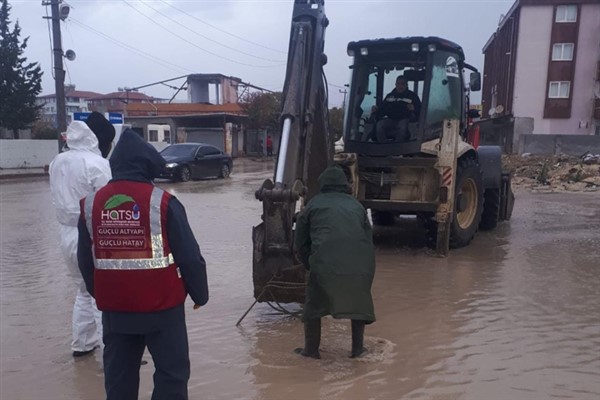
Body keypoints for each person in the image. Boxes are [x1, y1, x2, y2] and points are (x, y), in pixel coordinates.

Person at [77, 128, 209, 400]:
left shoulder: (90, 204)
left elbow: (85, 262)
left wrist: (102, 295)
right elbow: (190, 256)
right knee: (171, 376)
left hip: (115, 312)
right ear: (147, 166)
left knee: (119, 379)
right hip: (163, 309)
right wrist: (200, 294)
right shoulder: (163, 202)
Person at [49, 111, 115, 357]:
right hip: (90, 235)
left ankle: (83, 344)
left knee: (84, 289)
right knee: (103, 291)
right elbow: (109, 205)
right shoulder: (97, 164)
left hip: (65, 235)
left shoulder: (58, 161)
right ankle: (113, 351)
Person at [293, 165, 376, 359]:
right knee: (358, 304)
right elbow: (368, 240)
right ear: (344, 185)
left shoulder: (313, 205)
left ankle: (311, 351)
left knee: (314, 306)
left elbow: (300, 243)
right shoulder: (357, 206)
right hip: (361, 267)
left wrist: (311, 265)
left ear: (322, 184)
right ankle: (358, 350)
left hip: (324, 265)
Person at [371, 76, 421, 143]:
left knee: (402, 127)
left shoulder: (412, 96)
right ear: (395, 85)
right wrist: (376, 110)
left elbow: (420, 110)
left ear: (406, 85)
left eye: (402, 84)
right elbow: (383, 109)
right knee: (380, 125)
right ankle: (383, 145)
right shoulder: (390, 96)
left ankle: (397, 147)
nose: (400, 86)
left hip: (405, 119)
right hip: (391, 119)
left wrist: (413, 109)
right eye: (398, 84)